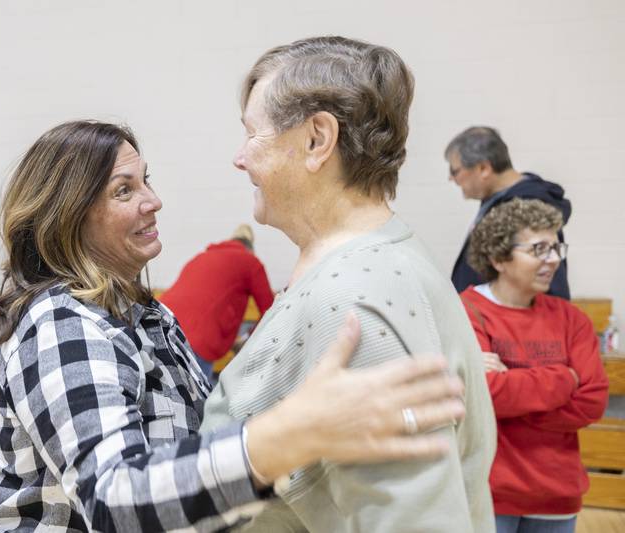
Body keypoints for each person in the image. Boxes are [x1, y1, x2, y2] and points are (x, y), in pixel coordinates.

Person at [0, 120, 468, 532]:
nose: (153, 201)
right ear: (68, 217)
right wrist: (282, 439)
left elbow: (197, 426)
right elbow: (112, 497)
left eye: (147, 180)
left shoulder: (143, 311)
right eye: (124, 191)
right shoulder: (62, 321)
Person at [201, 36, 496, 532]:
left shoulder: (355, 300)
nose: (239, 159)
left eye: (252, 135)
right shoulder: (370, 261)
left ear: (318, 140)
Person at [459, 198, 608, 533]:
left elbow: (593, 400)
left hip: (557, 497)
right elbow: (483, 396)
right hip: (490, 495)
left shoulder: (571, 319)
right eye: (539, 248)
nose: (553, 259)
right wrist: (564, 379)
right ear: (498, 258)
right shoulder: (467, 311)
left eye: (556, 247)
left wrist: (510, 386)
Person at [445, 126, 572, 299]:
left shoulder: (527, 206)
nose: (451, 178)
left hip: (508, 323)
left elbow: (551, 283)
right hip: (481, 317)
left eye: (455, 171)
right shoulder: (496, 200)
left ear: (483, 168)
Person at [159, 223, 274, 379]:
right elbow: (271, 310)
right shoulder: (250, 262)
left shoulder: (201, 257)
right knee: (197, 401)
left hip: (161, 327)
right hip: (198, 342)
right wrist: (248, 339)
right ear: (250, 249)